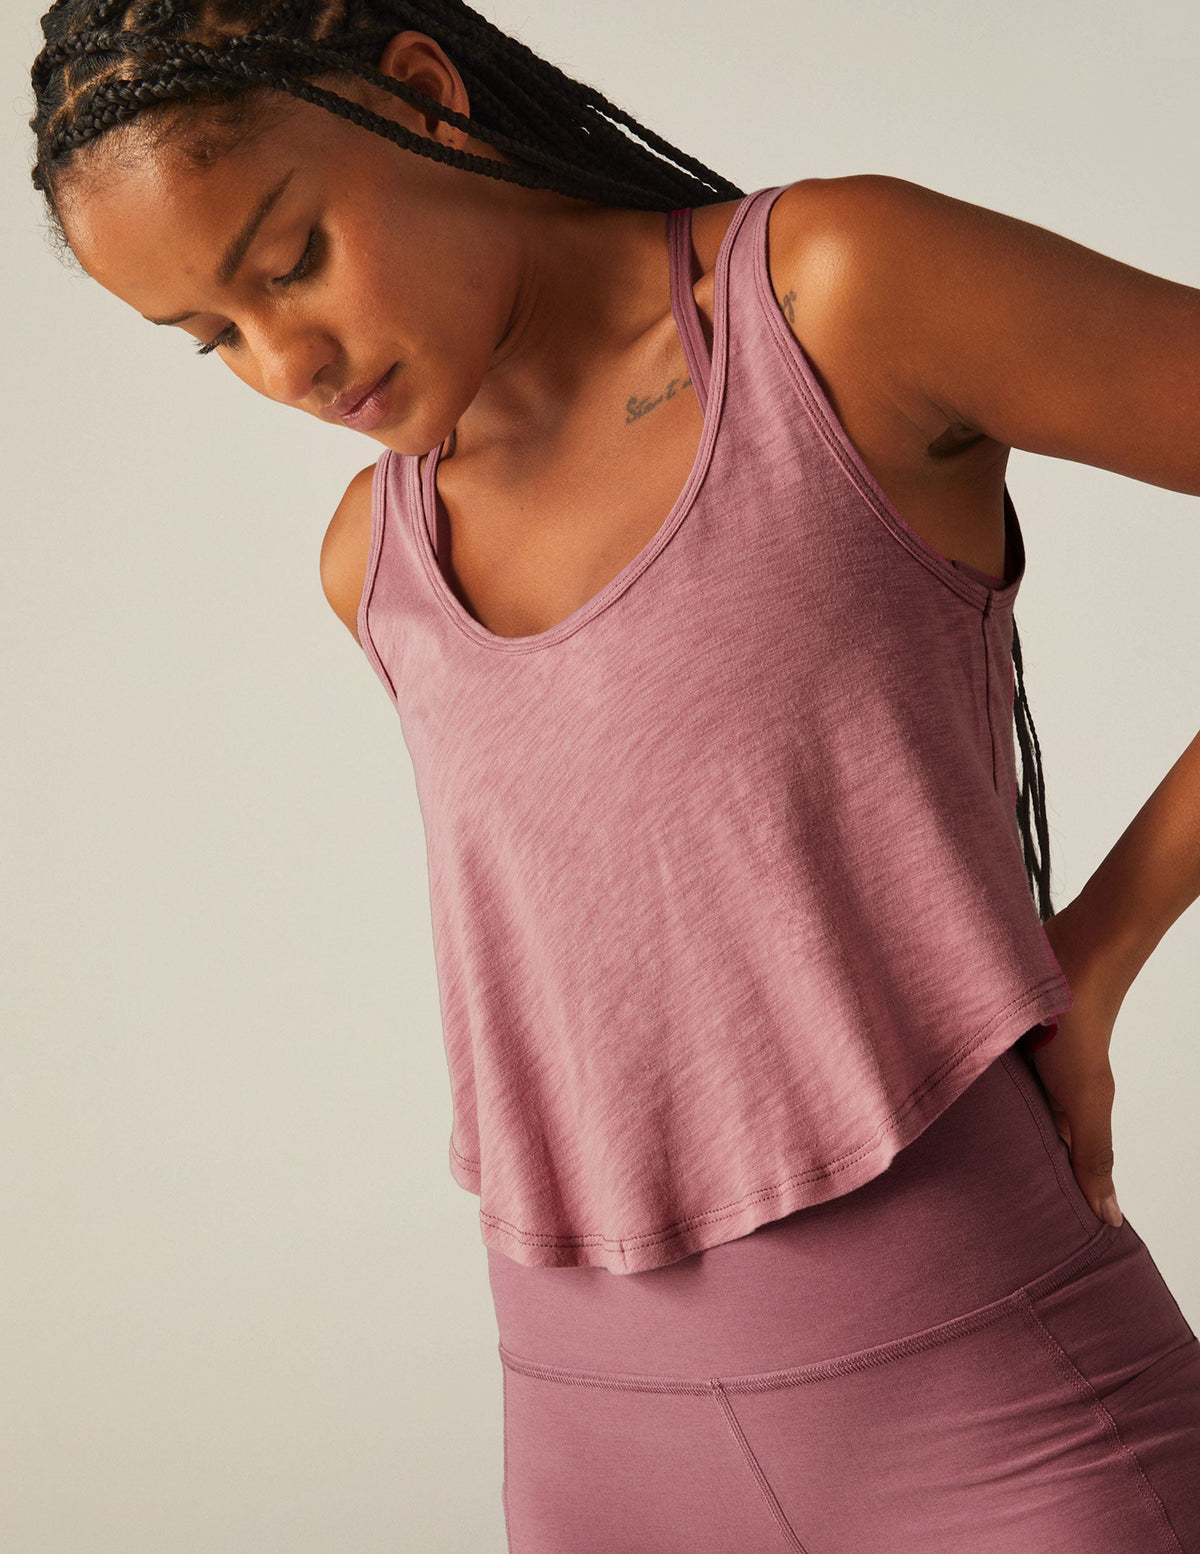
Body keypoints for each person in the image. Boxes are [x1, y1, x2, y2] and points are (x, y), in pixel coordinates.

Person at [29, 3, 1200, 1548]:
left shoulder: (836, 301)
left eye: (292, 259)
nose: (287, 363)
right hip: (594, 1442)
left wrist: (1099, 948)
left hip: (991, 1394)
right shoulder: (372, 567)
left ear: (426, 97)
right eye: (213, 339)